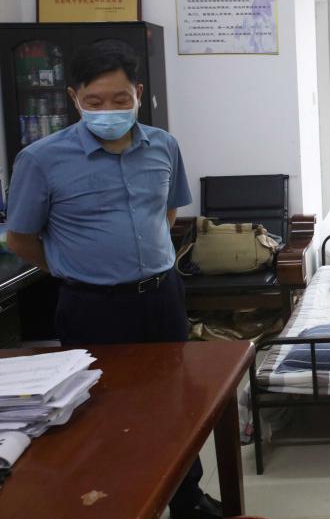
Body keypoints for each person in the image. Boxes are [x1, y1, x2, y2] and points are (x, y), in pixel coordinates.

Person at [5, 41, 220, 519]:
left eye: (120, 99)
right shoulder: (40, 159)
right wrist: (72, 267)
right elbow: (20, 238)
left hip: (162, 296)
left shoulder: (163, 145)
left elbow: (167, 212)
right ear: (74, 98)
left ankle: (187, 498)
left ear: (138, 93)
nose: (109, 111)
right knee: (102, 412)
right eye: (95, 101)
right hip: (92, 306)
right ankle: (117, 502)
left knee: (175, 402)